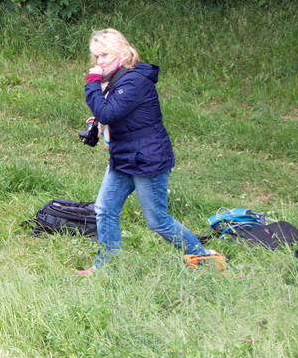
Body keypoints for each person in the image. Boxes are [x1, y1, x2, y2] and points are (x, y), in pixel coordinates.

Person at [79, 29, 226, 274]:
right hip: (124, 154)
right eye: (96, 57)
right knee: (104, 210)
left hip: (148, 157)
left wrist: (92, 84)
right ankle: (105, 267)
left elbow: (107, 112)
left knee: (157, 220)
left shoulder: (134, 79)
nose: (99, 62)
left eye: (104, 55)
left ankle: (202, 257)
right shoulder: (118, 78)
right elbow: (113, 112)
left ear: (121, 52)